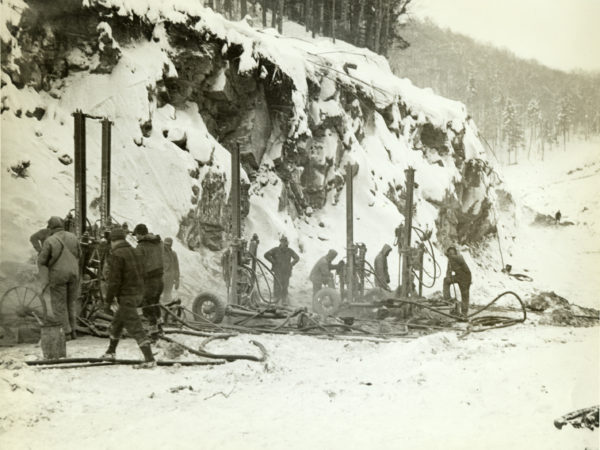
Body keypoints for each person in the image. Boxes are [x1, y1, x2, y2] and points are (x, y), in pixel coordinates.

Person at [101, 227, 155, 368]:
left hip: (127, 296)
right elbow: (144, 273)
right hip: (138, 293)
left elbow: (114, 281)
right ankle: (110, 351)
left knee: (135, 327)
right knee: (118, 323)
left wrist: (108, 301)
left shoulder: (117, 254)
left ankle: (149, 359)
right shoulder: (134, 251)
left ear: (113, 240)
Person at [37, 216, 81, 340]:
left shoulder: (50, 240)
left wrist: (43, 277)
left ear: (50, 227)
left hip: (58, 275)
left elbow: (42, 260)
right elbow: (80, 254)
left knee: (59, 304)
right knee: (70, 302)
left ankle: (65, 333)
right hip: (74, 273)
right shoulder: (73, 237)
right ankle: (73, 331)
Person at [133, 223, 164, 335]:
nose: (136, 237)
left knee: (147, 305)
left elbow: (137, 265)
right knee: (155, 303)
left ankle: (153, 333)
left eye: (136, 234)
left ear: (140, 234)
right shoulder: (158, 242)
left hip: (150, 280)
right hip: (160, 279)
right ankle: (160, 328)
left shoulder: (141, 247)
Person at [264, 236, 300, 305]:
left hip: (286, 272)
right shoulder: (275, 250)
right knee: (277, 285)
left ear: (287, 243)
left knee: (285, 286)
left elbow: (297, 258)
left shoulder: (290, 251)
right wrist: (273, 261)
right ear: (280, 242)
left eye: (285, 242)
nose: (284, 243)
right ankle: (276, 300)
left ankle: (284, 300)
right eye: (282, 241)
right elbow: (266, 255)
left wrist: (291, 264)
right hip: (278, 271)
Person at [443, 246, 472, 318]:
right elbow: (448, 271)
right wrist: (449, 277)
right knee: (446, 280)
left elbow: (459, 259)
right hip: (458, 276)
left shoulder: (458, 257)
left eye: (452, 252)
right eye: (450, 252)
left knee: (465, 294)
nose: (451, 254)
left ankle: (464, 313)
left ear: (455, 253)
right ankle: (448, 299)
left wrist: (450, 256)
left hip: (465, 276)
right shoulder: (450, 260)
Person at [161, 237, 180, 303]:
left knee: (167, 297)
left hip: (169, 280)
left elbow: (176, 268)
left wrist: (177, 280)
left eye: (168, 245)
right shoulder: (159, 253)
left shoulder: (173, 254)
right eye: (165, 244)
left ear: (171, 245)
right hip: (160, 279)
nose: (167, 246)